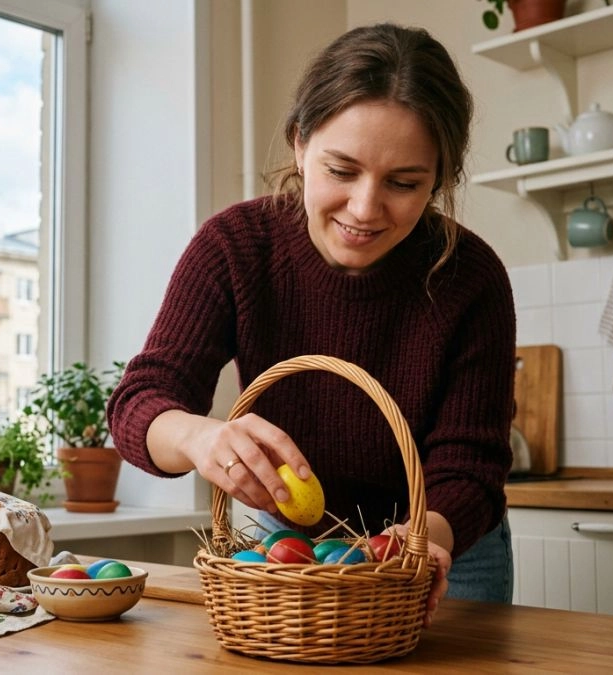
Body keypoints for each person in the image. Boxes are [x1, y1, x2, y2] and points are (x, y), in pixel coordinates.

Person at [106, 23, 516, 625]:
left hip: (443, 546)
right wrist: (201, 438)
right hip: (293, 545)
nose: (365, 209)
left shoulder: (470, 276)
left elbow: (471, 464)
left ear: (441, 178)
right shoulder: (235, 247)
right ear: (300, 143)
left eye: (405, 184)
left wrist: (421, 540)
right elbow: (140, 403)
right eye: (342, 170)